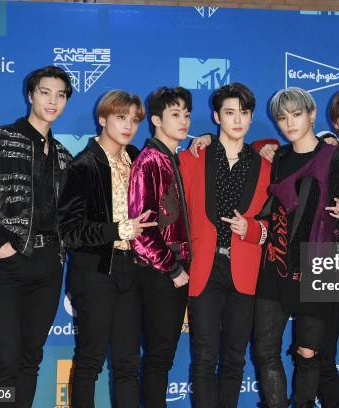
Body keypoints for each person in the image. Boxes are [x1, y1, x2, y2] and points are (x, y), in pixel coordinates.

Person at [0, 65, 73, 407]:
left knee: (30, 359)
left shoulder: (64, 157)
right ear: (30, 95)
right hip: (9, 265)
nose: (52, 101)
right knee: (5, 359)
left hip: (49, 266)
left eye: (60, 95)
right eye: (46, 92)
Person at [253, 87, 339, 408]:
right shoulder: (278, 157)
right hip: (276, 262)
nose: (289, 123)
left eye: (296, 114)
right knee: (265, 350)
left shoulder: (336, 159)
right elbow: (246, 150)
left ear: (312, 115)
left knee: (308, 353)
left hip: (318, 264)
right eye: (282, 117)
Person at [57, 90, 156, 407]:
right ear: (102, 118)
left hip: (133, 272)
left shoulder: (139, 160)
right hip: (96, 273)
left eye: (134, 120)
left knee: (128, 364)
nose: (128, 126)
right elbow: (69, 231)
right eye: (120, 117)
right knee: (90, 362)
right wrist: (118, 229)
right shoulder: (83, 166)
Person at [179, 83, 271, 407]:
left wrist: (251, 229)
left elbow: (273, 228)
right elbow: (175, 217)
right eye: (230, 113)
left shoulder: (265, 167)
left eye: (244, 113)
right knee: (203, 357)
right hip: (204, 268)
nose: (237, 120)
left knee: (234, 359)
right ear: (217, 116)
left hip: (243, 271)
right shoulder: (192, 158)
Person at [128, 86, 191, 408]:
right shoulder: (149, 161)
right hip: (160, 273)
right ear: (155, 119)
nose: (183, 122)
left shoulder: (174, 158)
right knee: (158, 356)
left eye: (186, 115)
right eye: (175, 115)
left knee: (162, 355)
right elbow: (140, 231)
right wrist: (173, 267)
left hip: (174, 271)